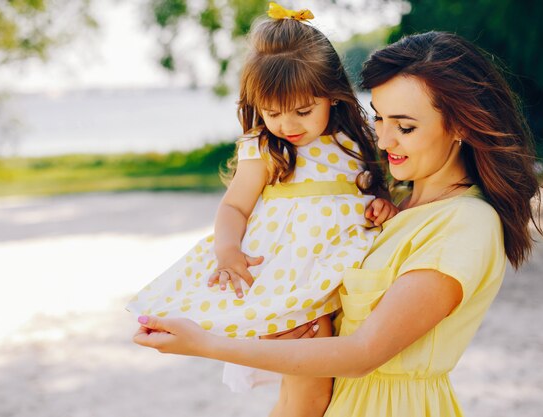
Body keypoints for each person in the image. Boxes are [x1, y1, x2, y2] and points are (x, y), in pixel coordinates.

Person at [132, 31, 543, 417]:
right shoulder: (391, 205)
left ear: (460, 123)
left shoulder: (464, 225)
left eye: (404, 126)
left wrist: (207, 345)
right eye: (379, 119)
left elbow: (364, 352)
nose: (382, 141)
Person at [126, 3, 396, 416]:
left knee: (308, 391)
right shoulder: (267, 149)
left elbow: (368, 197)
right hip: (290, 283)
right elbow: (234, 206)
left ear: (332, 94)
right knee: (310, 394)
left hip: (343, 279)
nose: (288, 124)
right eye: (273, 112)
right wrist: (228, 249)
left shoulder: (353, 144)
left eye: (303, 111)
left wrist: (380, 204)